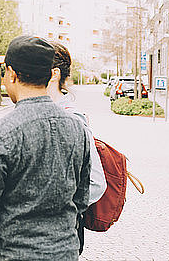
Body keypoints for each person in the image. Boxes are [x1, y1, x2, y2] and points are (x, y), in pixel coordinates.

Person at [0, 35, 91, 261]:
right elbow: (82, 197)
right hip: (65, 251)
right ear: (48, 75)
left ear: (12, 74)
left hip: (13, 252)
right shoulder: (78, 128)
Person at [46, 42, 107, 254]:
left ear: (54, 74)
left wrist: (63, 212)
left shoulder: (73, 120)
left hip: (63, 237)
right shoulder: (37, 115)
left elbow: (97, 183)